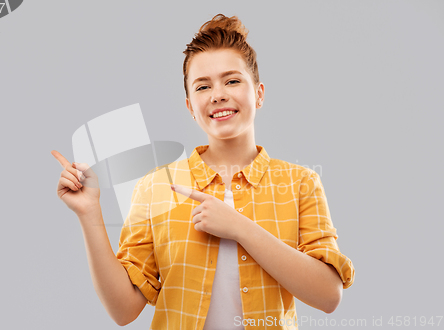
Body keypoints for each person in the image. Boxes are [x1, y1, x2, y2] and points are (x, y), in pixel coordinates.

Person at [52, 13, 354, 330]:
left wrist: (239, 227)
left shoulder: (300, 183)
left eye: (233, 81)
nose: (218, 94)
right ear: (190, 107)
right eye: (203, 86)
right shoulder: (156, 187)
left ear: (259, 93)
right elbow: (123, 310)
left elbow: (328, 295)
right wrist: (89, 213)